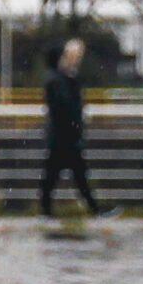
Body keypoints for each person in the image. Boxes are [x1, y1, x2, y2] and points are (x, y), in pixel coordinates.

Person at [39, 38, 104, 219]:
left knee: (59, 175)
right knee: (70, 175)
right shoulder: (59, 80)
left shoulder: (59, 78)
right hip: (65, 136)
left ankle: (47, 211)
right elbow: (66, 107)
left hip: (63, 136)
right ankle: (93, 209)